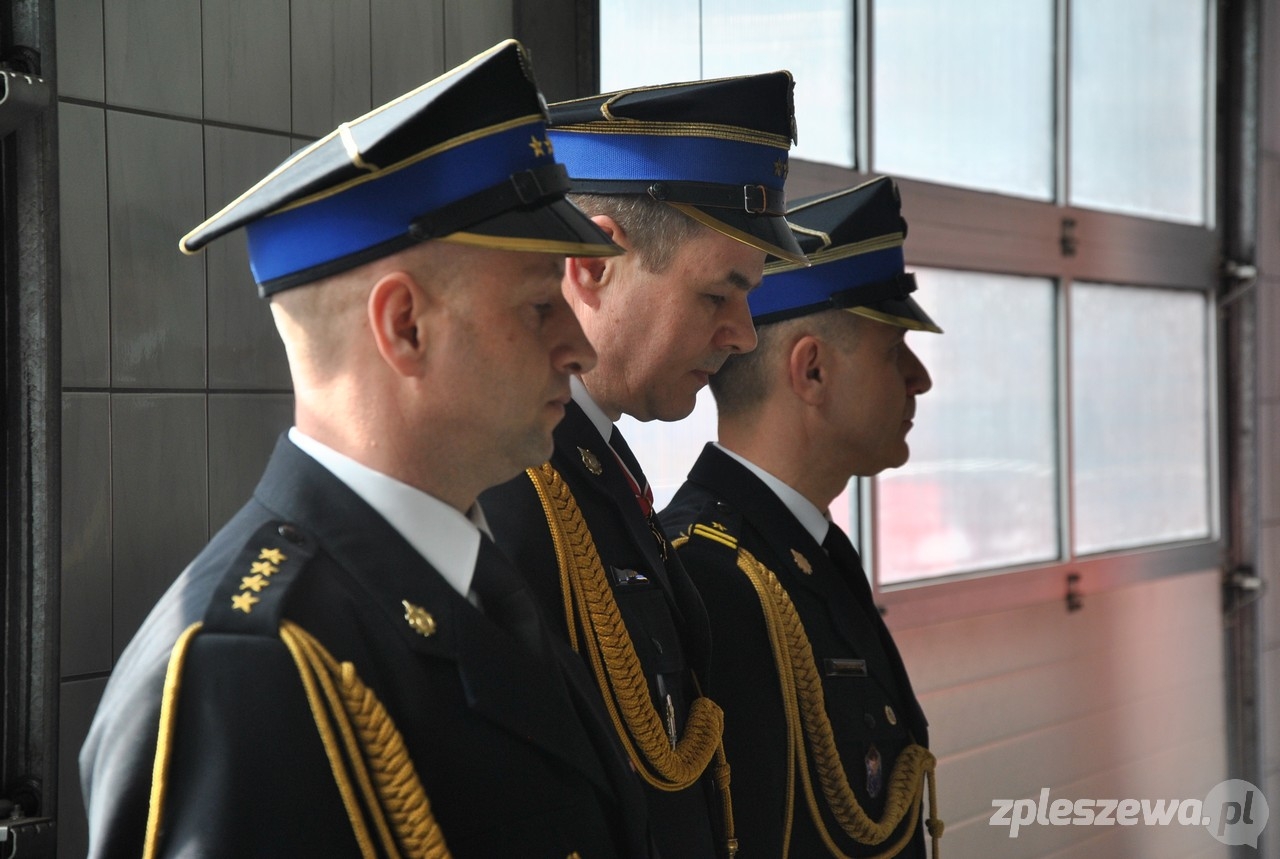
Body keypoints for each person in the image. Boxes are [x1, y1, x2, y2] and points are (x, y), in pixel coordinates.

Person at [79, 40, 654, 859]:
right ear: (404, 326)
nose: (580, 348)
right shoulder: (248, 668)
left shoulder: (480, 586)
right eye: (539, 308)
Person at [479, 73, 806, 858]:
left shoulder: (601, 474)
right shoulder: (511, 492)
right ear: (591, 263)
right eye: (718, 295)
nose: (744, 335)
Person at [660, 177, 945, 858]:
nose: (920, 379)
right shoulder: (708, 575)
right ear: (811, 371)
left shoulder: (809, 550)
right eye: (893, 352)